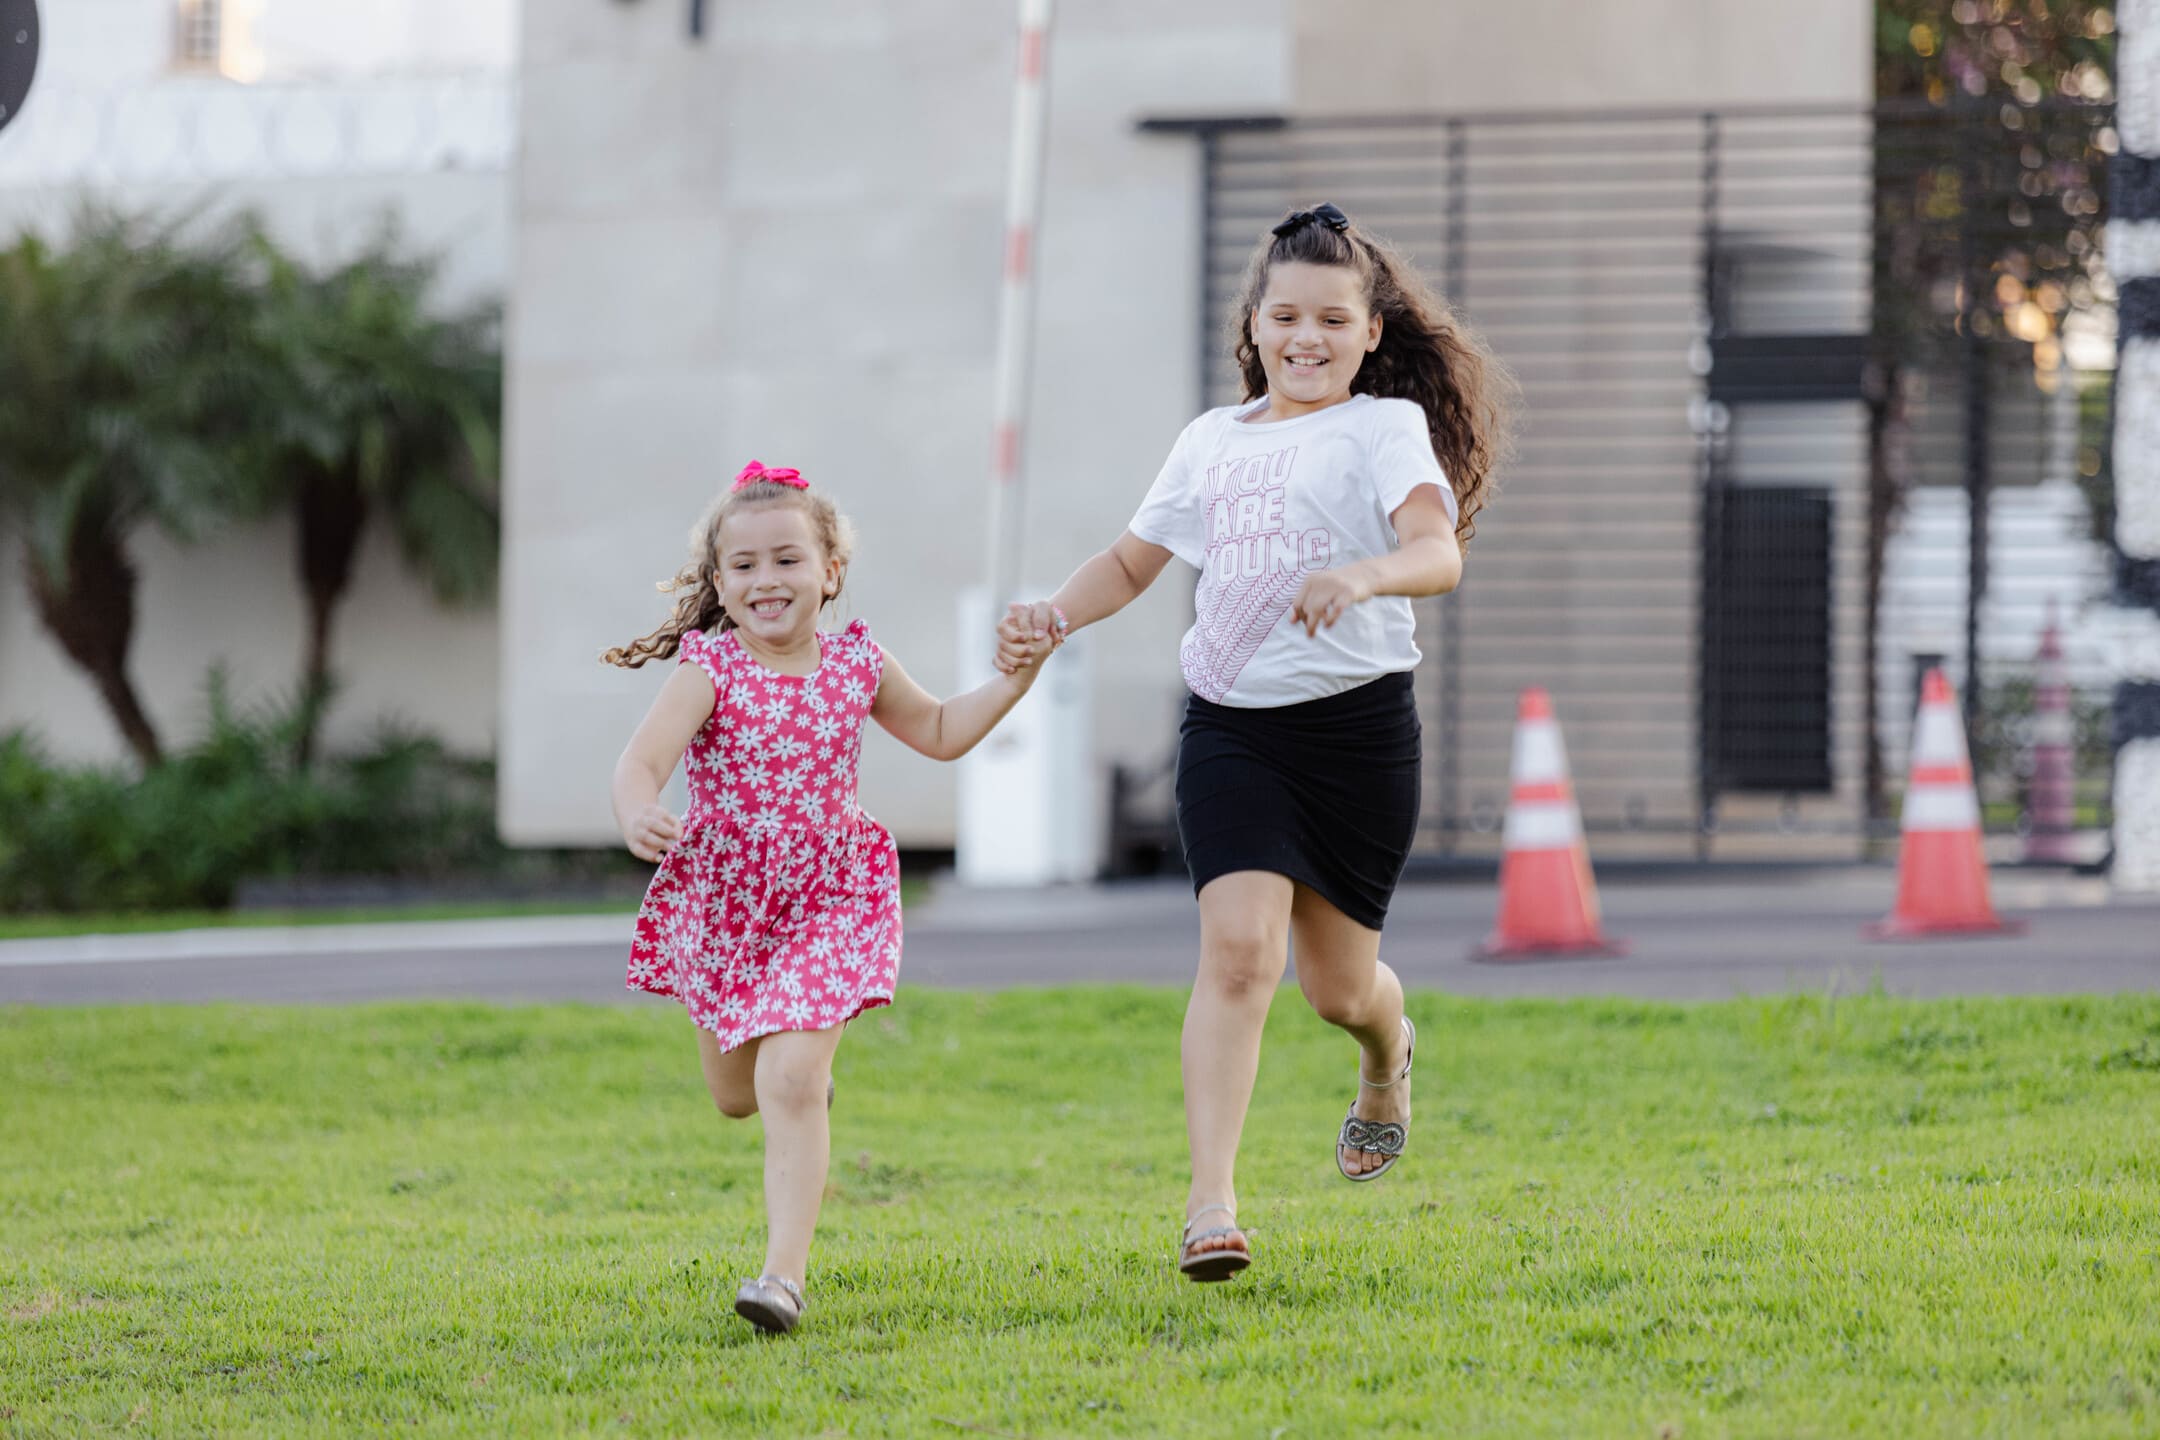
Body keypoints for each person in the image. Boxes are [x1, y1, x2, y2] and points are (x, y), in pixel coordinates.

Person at [997, 203, 1510, 1281]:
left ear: (1370, 331)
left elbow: (1437, 551)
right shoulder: (1210, 442)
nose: (1306, 338)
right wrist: (1053, 616)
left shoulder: (1381, 429)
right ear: (1254, 324)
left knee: (1338, 992)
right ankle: (1211, 1207)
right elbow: (1130, 564)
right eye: (1286, 317)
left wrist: (1363, 575)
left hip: (1358, 735)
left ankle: (1387, 1051)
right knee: (1239, 954)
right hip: (1232, 729)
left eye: (1331, 319)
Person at [605, 460, 1053, 1332]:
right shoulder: (709, 668)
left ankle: (782, 1279)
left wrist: (1017, 680)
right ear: (720, 585)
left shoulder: (857, 664)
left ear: (830, 572)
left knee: (790, 1077)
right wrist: (636, 811)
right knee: (739, 1094)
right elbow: (641, 762)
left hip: (832, 898)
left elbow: (940, 729)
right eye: (744, 566)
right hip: (728, 909)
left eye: (787, 559)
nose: (766, 580)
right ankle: (801, 1084)